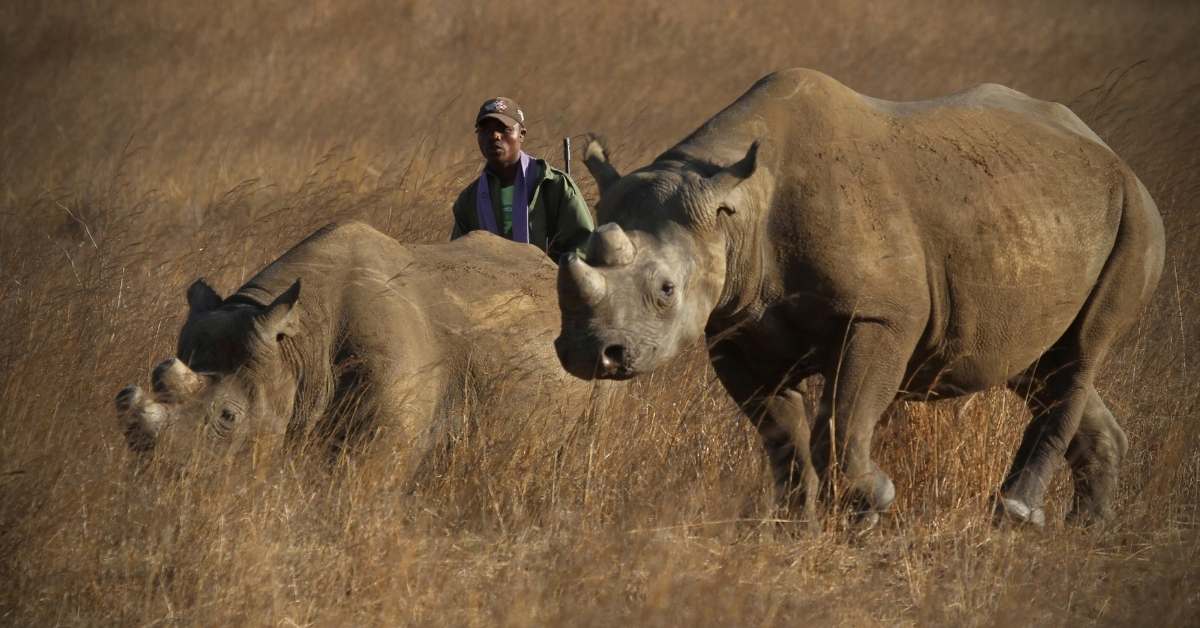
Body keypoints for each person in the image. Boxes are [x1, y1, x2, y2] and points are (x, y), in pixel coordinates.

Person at [451, 97, 594, 260]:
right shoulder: (470, 199)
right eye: (485, 130)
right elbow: (458, 260)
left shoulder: (553, 185)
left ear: (522, 135)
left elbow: (584, 247)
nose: (494, 136)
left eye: (503, 128)